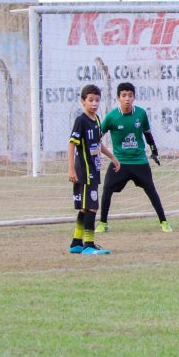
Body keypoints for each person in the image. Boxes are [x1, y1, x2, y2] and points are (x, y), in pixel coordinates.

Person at [96, 82, 171, 233]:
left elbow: (147, 134)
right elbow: (97, 136)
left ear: (134, 97)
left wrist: (154, 151)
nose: (127, 99)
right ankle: (103, 223)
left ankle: (164, 222)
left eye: (130, 95)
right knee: (107, 189)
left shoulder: (141, 114)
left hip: (139, 161)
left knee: (151, 190)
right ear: (118, 97)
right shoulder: (111, 117)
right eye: (124, 96)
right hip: (120, 162)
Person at [67, 84, 120, 255]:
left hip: (94, 170)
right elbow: (71, 144)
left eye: (97, 100)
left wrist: (112, 157)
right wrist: (71, 169)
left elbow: (97, 143)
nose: (94, 103)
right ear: (83, 101)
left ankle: (76, 242)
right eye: (90, 100)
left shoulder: (96, 119)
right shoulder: (80, 121)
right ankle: (88, 245)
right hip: (84, 170)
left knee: (85, 207)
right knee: (92, 207)